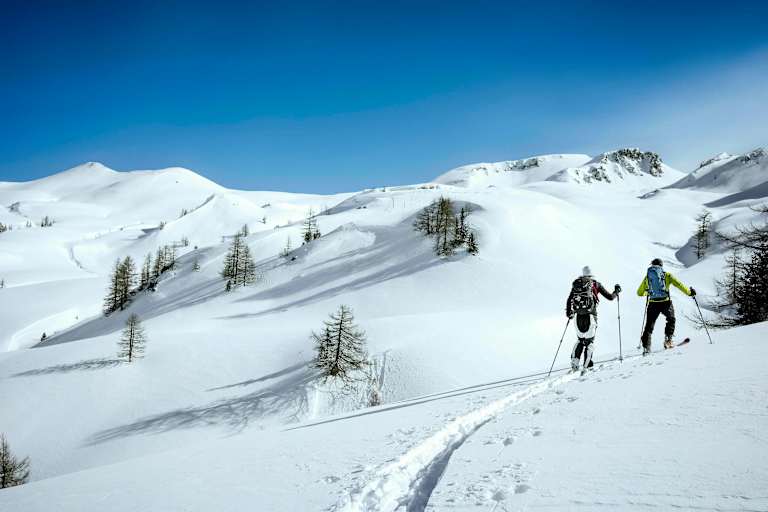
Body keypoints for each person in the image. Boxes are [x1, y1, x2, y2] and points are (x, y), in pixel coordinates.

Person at [566, 266, 621, 372]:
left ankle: (575, 362)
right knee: (589, 342)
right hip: (591, 316)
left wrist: (569, 313)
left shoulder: (576, 285)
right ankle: (587, 366)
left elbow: (569, 299)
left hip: (578, 316)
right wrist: (616, 291)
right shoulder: (595, 284)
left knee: (580, 340)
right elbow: (610, 297)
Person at [637, 258, 695, 355]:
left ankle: (646, 347)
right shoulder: (667, 275)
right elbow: (679, 285)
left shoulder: (648, 277)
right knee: (671, 319)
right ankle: (668, 340)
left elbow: (639, 293)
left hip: (653, 303)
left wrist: (648, 292)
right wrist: (689, 293)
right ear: (661, 265)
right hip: (666, 303)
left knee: (649, 326)